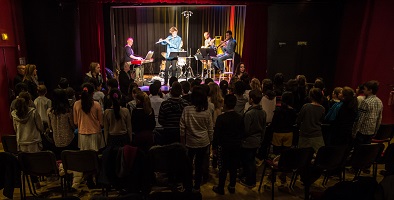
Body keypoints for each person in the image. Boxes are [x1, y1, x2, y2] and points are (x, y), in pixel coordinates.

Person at [180, 86, 214, 192]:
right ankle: (197, 186)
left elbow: (182, 128)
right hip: (204, 142)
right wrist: (211, 142)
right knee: (199, 165)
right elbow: (210, 129)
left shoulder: (187, 110)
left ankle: (188, 186)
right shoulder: (207, 111)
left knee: (188, 165)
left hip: (190, 142)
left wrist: (183, 143)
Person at [212, 94, 244, 195]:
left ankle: (221, 187)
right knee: (233, 167)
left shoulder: (221, 118)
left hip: (224, 146)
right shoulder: (240, 117)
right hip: (236, 146)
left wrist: (214, 147)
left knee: (223, 168)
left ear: (225, 104)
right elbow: (242, 132)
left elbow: (216, 134)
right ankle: (232, 186)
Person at [240, 89, 266, 188]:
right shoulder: (262, 112)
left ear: (251, 99)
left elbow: (245, 130)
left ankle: (250, 181)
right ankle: (250, 179)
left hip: (248, 141)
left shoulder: (249, 113)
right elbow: (263, 128)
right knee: (251, 161)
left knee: (248, 162)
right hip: (257, 140)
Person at [352, 80, 383, 145]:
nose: (363, 90)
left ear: (370, 90)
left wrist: (354, 132)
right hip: (371, 131)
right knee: (366, 151)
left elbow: (360, 118)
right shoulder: (380, 101)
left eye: (365, 89)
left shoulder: (365, 102)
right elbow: (379, 118)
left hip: (362, 131)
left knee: (358, 150)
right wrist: (376, 130)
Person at [296, 88, 325, 152]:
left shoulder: (306, 106)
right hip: (317, 135)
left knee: (302, 155)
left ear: (310, 96)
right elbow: (322, 120)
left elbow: (299, 120)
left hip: (305, 135)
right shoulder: (322, 109)